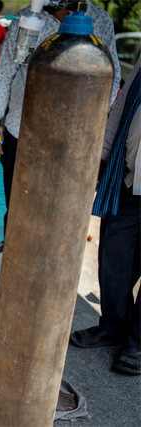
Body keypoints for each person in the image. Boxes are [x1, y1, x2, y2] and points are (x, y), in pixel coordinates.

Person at [0, 0, 120, 222]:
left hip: (71, 142)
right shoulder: (27, 19)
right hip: (21, 131)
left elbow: (113, 75)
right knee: (16, 212)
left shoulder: (100, 20)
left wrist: (92, 121)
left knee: (53, 217)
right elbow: (5, 75)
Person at [70, 58, 140, 376]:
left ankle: (136, 343)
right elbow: (124, 102)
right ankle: (112, 326)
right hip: (128, 177)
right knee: (113, 258)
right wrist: (103, 156)